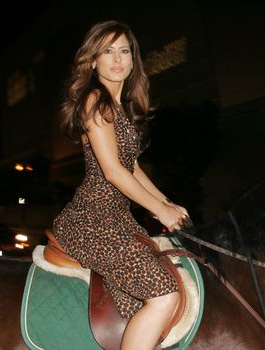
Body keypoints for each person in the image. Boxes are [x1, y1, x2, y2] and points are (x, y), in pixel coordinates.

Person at [53, 20, 189, 350]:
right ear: (93, 60)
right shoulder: (94, 101)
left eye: (124, 51)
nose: (117, 59)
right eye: (108, 51)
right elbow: (114, 171)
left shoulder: (119, 108)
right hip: (92, 222)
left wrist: (168, 204)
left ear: (133, 59)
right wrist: (158, 210)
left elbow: (133, 167)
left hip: (117, 221)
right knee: (164, 294)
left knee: (140, 304)